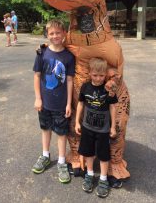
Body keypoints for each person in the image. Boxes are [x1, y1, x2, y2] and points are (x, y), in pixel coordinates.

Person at [32, 19, 75, 183]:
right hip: (44, 102)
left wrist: (68, 103)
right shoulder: (42, 53)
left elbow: (70, 80)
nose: (55, 36)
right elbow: (36, 76)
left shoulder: (69, 56)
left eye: (58, 32)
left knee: (62, 133)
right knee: (45, 129)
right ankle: (45, 155)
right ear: (47, 35)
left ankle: (62, 162)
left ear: (64, 33)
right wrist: (37, 98)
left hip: (61, 104)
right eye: (51, 33)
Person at [75, 57, 117, 198]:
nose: (98, 79)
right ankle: (90, 174)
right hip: (87, 127)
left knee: (104, 155)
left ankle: (103, 179)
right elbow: (80, 104)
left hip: (103, 130)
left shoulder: (109, 89)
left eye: (101, 75)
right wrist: (76, 122)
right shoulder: (85, 87)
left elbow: (113, 107)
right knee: (88, 152)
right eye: (95, 75)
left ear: (105, 74)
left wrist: (113, 127)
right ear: (89, 73)